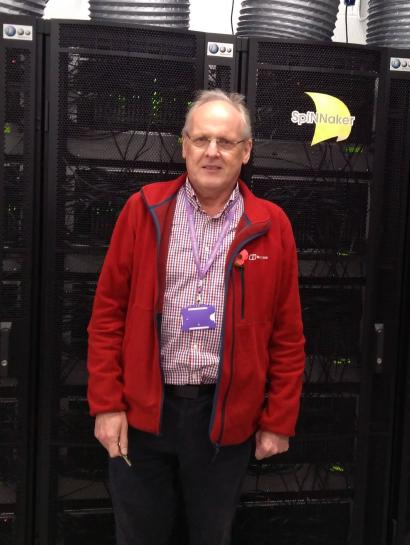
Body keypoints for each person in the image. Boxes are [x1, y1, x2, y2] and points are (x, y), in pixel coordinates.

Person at [87, 89, 305, 545]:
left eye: (225, 142)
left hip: (226, 416)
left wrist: (278, 420)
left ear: (245, 152)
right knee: (139, 536)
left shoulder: (272, 224)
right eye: (201, 139)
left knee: (211, 535)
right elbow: (107, 315)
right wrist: (107, 404)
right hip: (144, 411)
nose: (212, 152)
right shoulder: (143, 209)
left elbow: (287, 335)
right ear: (183, 145)